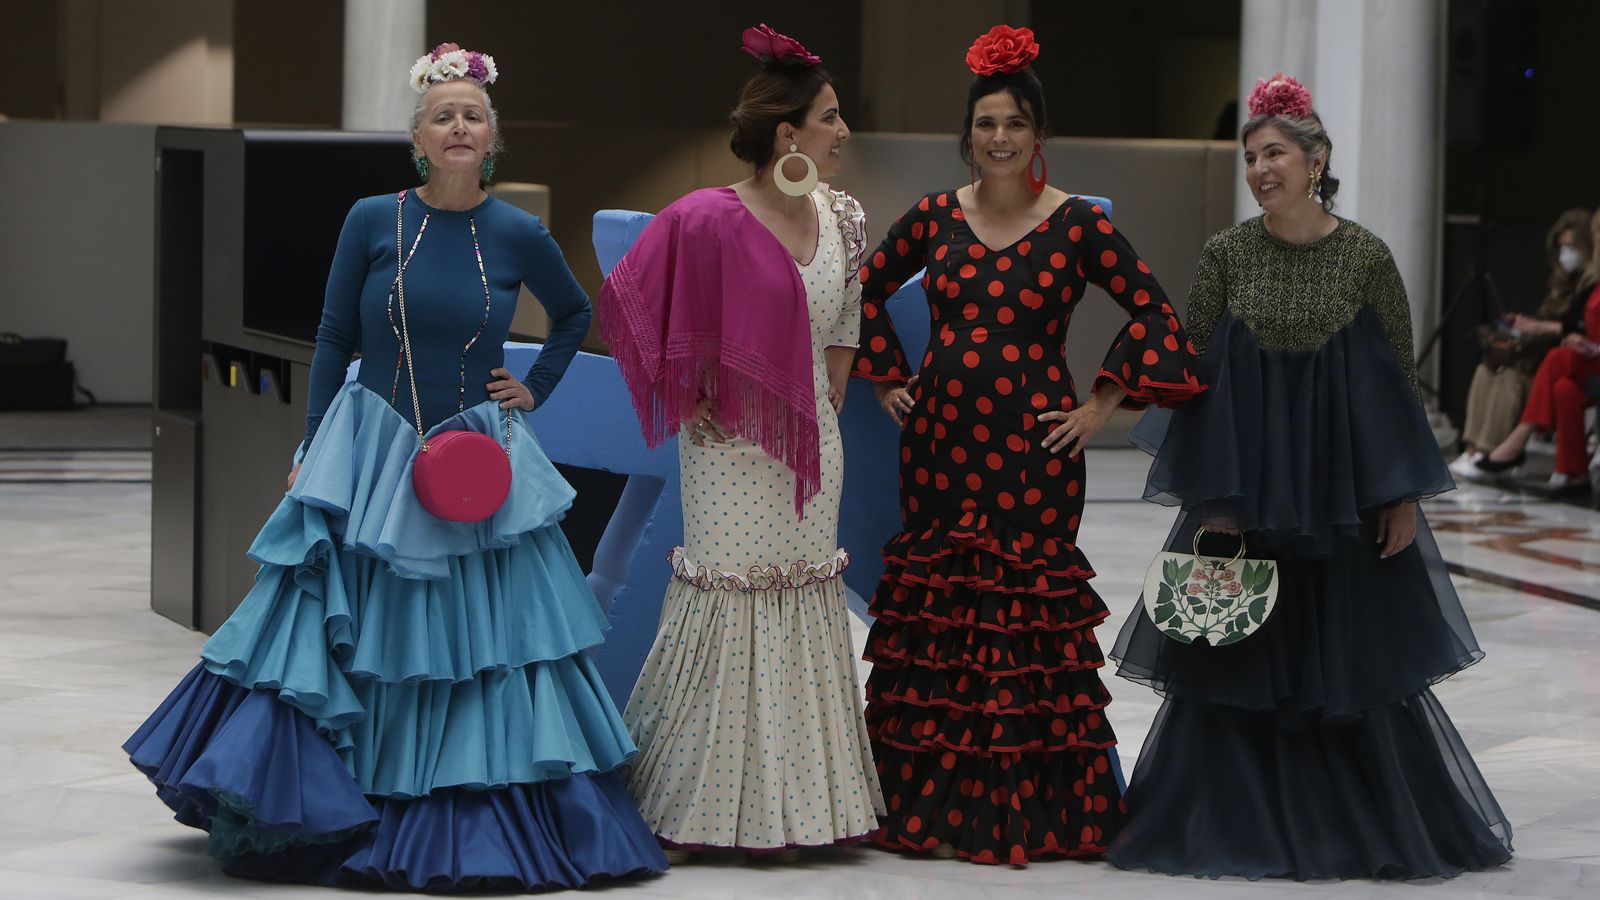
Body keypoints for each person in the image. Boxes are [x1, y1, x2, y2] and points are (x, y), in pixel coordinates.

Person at [124, 43, 667, 890]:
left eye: (473, 115)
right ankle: (330, 804)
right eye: (443, 114)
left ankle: (466, 808)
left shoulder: (519, 233)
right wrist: (309, 446)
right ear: (418, 135)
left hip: (477, 461)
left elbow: (574, 315)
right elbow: (336, 331)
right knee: (342, 625)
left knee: (480, 644)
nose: (459, 126)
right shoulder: (373, 218)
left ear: (494, 140)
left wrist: (534, 391)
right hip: (370, 446)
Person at [1108, 72, 1513, 880]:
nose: (1260, 169)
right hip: (1245, 489)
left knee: (1344, 657)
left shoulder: (1366, 256)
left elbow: (1395, 380)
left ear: (1316, 158)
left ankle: (1350, 826)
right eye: (1251, 157)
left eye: (1275, 154)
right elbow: (1196, 378)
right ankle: (1240, 820)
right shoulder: (1226, 253)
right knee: (1242, 655)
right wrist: (1214, 500)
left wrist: (1399, 492)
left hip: (1338, 500)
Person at [849, 25, 1204, 866]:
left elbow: (1156, 312)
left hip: (1036, 455)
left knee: (1024, 616)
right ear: (967, 136)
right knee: (940, 614)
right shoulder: (937, 216)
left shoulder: (1078, 225)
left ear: (1037, 135)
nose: (998, 138)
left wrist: (1100, 405)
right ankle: (922, 808)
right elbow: (857, 288)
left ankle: (1032, 810)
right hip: (938, 447)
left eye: (1013, 124)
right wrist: (885, 377)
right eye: (985, 125)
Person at [597, 25, 883, 861]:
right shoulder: (705, 217)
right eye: (830, 117)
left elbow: (849, 310)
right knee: (731, 597)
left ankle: (800, 808)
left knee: (802, 594)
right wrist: (695, 394)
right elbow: (634, 304)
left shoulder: (844, 215)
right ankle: (704, 803)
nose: (843, 132)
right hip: (726, 452)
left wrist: (825, 392)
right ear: (788, 133)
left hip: (812, 447)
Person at [1450, 208, 1594, 476]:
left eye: (1572, 247)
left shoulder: (1588, 290)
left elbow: (1577, 331)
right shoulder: (1561, 287)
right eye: (1562, 248)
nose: (1566, 255)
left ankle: (1493, 449)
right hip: (1539, 362)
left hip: (1560, 367)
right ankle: (1473, 450)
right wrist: (1523, 327)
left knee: (1513, 380)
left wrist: (1540, 328)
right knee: (1486, 371)